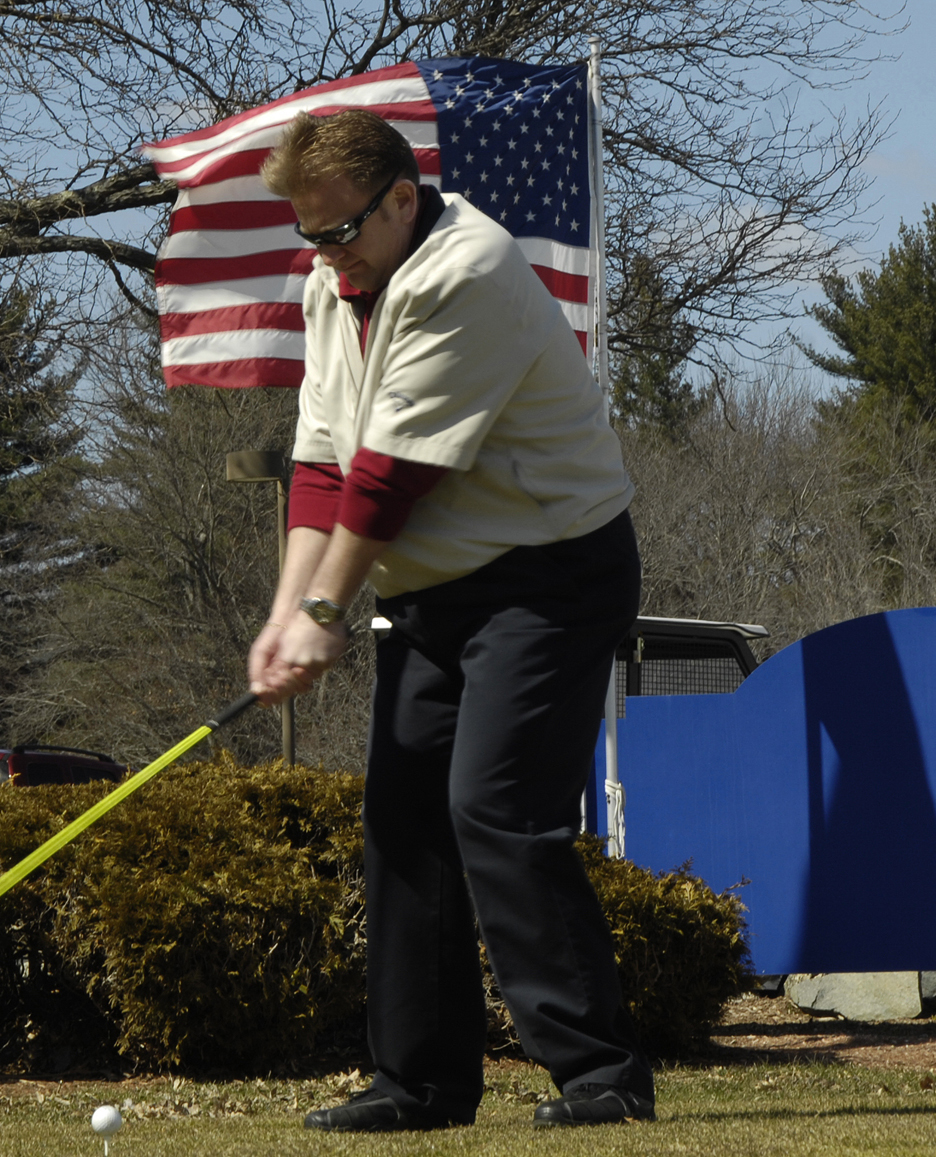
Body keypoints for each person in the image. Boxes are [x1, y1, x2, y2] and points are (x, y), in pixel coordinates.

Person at [246, 109, 654, 1132]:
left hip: (550, 573)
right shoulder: (333, 283)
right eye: (308, 234)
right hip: (436, 590)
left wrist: (328, 610)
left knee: (496, 804)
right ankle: (421, 1081)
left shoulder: (465, 271)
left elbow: (387, 484)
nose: (325, 254)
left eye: (339, 231)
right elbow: (321, 463)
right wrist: (287, 611)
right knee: (404, 815)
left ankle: (601, 1072)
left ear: (399, 198)